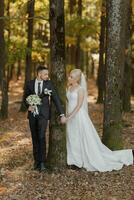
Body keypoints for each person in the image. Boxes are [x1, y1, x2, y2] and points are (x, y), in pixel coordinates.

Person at [63, 69, 133, 172]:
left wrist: (69, 117)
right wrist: (66, 114)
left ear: (77, 79)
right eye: (69, 76)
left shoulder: (80, 90)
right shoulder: (69, 88)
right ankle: (72, 159)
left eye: (71, 77)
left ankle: (79, 161)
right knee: (71, 137)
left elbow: (78, 106)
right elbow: (68, 103)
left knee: (78, 137)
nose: (69, 78)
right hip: (69, 115)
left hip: (78, 116)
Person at [24, 65, 66, 172]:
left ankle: (42, 162)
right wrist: (28, 106)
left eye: (47, 74)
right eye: (45, 74)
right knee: (34, 137)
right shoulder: (29, 83)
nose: (47, 76)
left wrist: (62, 114)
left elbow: (56, 98)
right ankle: (36, 161)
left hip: (43, 114)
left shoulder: (49, 84)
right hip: (32, 115)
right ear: (39, 74)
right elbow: (25, 97)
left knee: (41, 136)